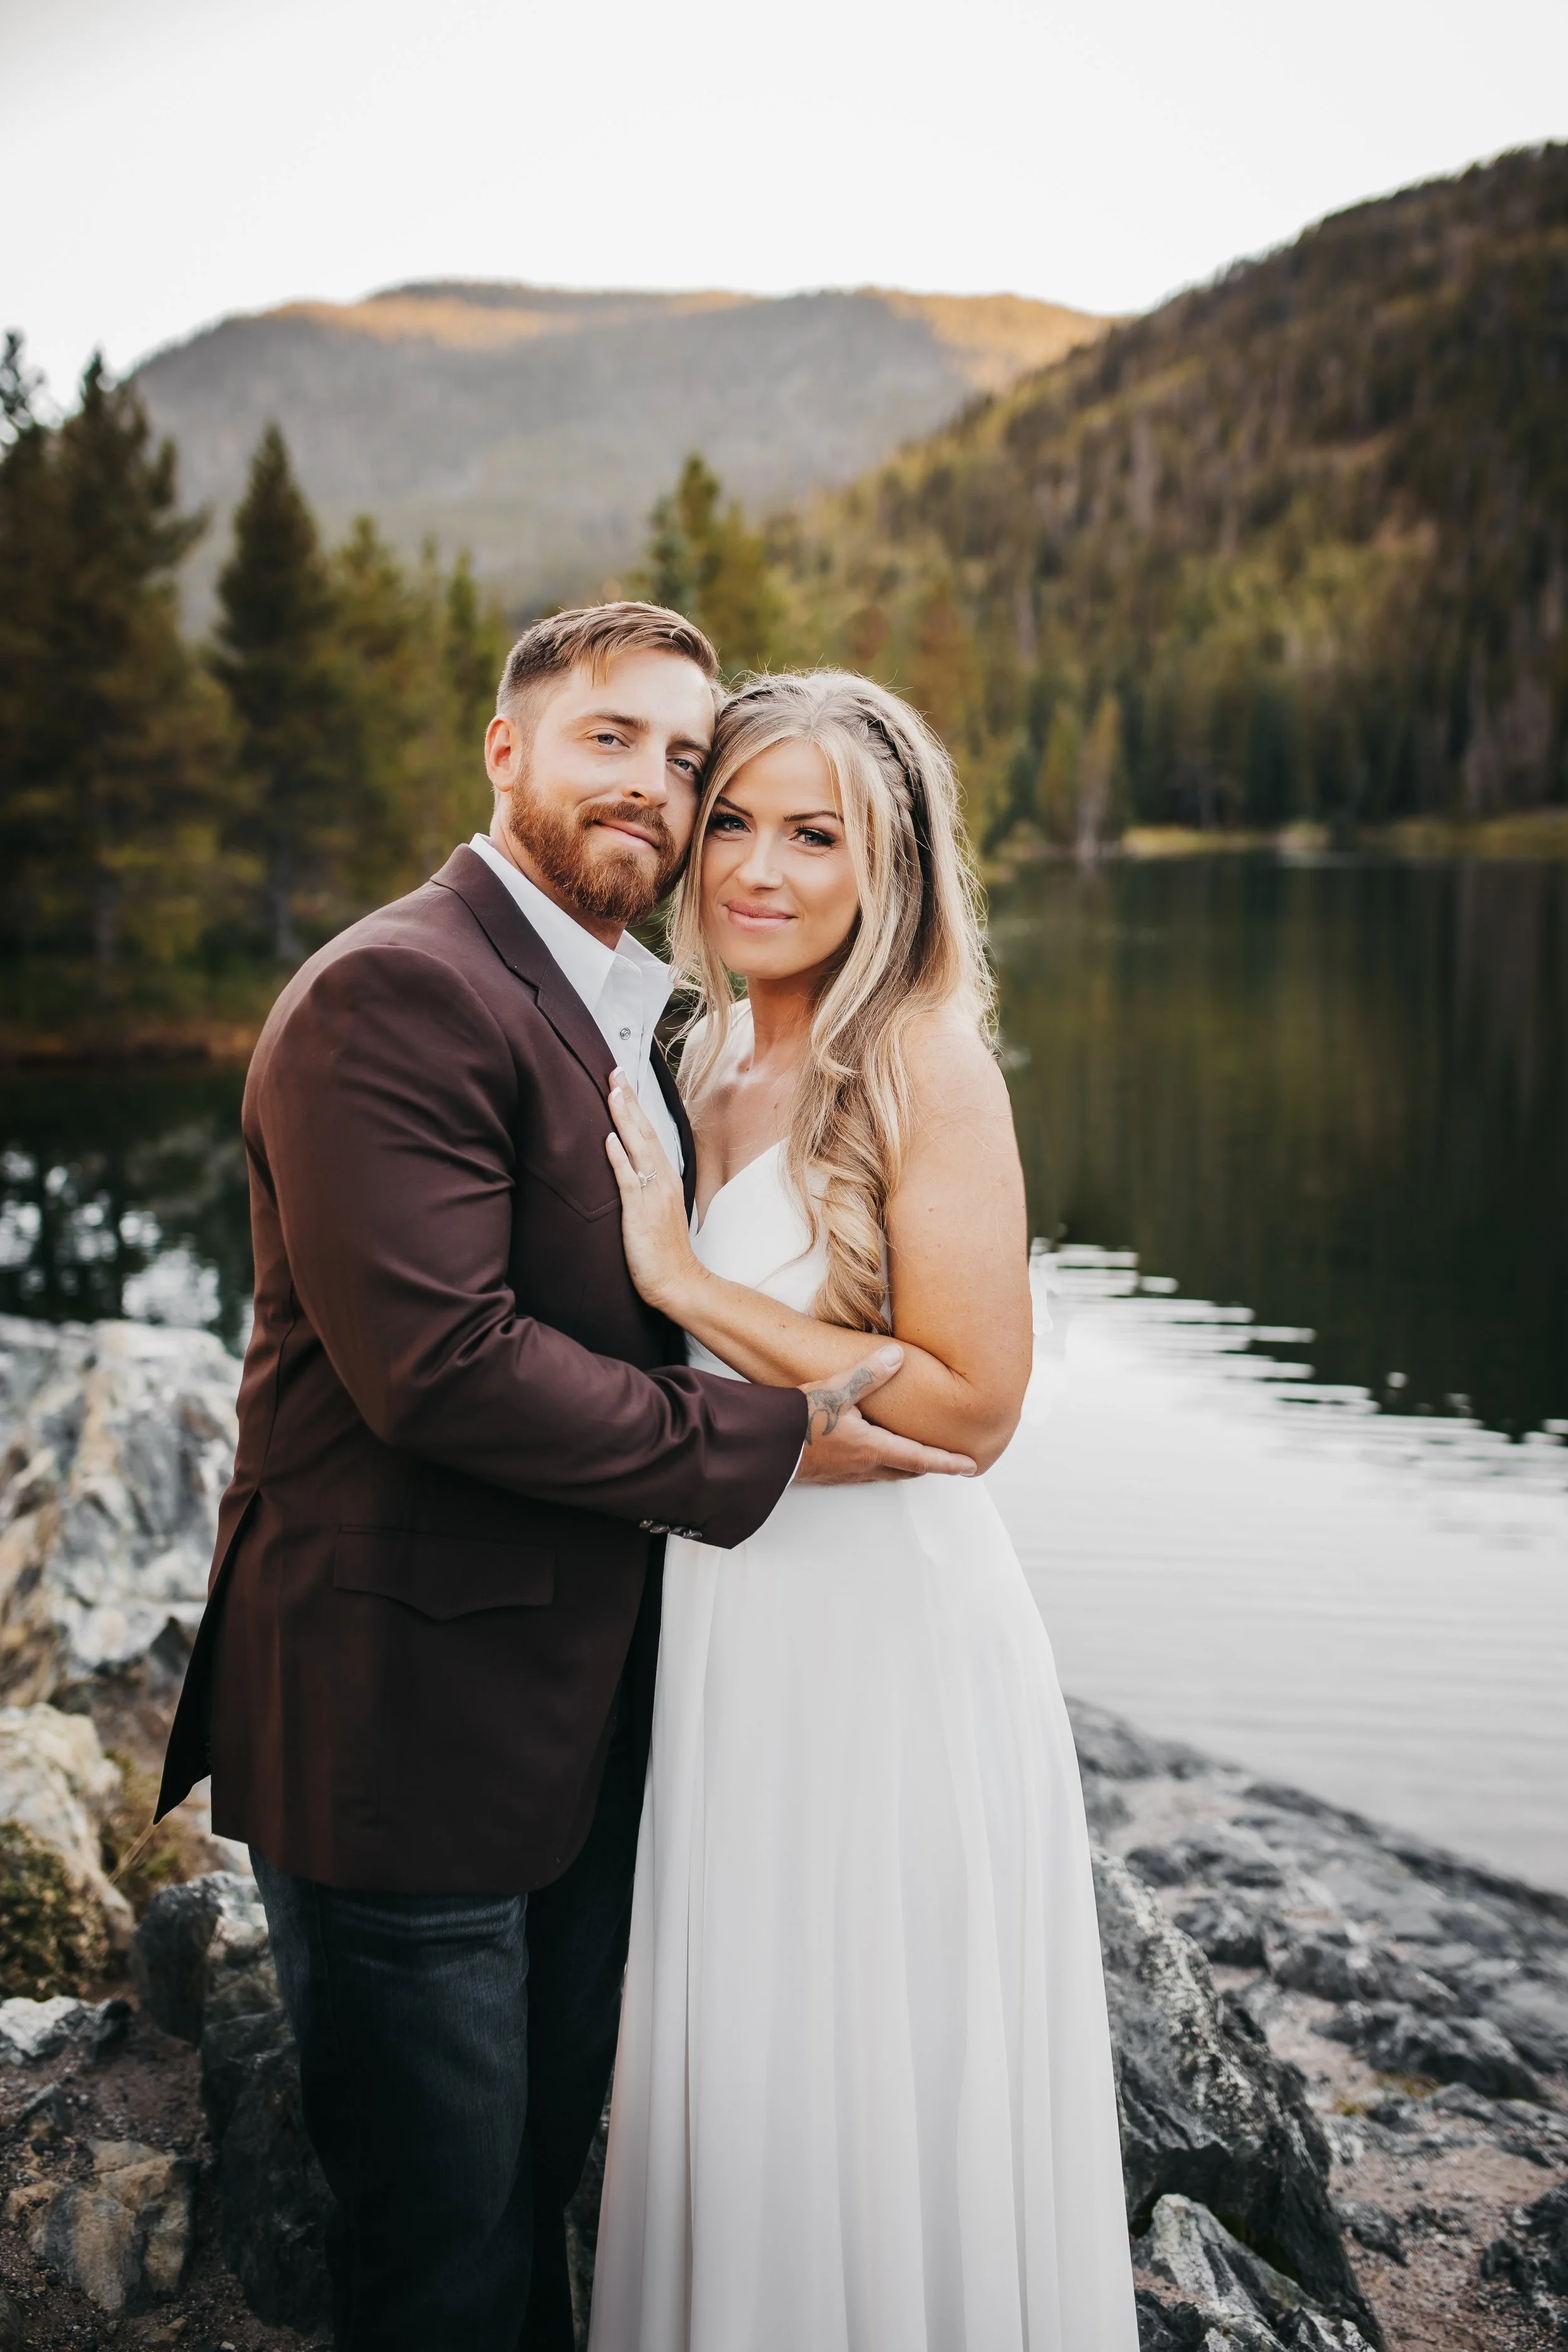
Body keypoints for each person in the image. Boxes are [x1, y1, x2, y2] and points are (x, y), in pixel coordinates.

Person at [154, 607, 974, 2352]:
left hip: (572, 1721)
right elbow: (440, 1368)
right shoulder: (398, 988)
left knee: (530, 2194)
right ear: (505, 749)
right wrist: (773, 1438)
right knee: (438, 2242)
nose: (660, 790)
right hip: (401, 1724)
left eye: (690, 760)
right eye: (616, 737)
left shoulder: (633, 1014)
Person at [589, 670, 1139, 2351]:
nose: (757, 868)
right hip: (731, 1616)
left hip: (884, 1635)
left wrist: (687, 1277)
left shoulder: (916, 1057)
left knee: (869, 2058)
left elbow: (971, 1406)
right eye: (734, 822)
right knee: (749, 2060)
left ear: (884, 859)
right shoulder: (689, 1045)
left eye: (811, 834)